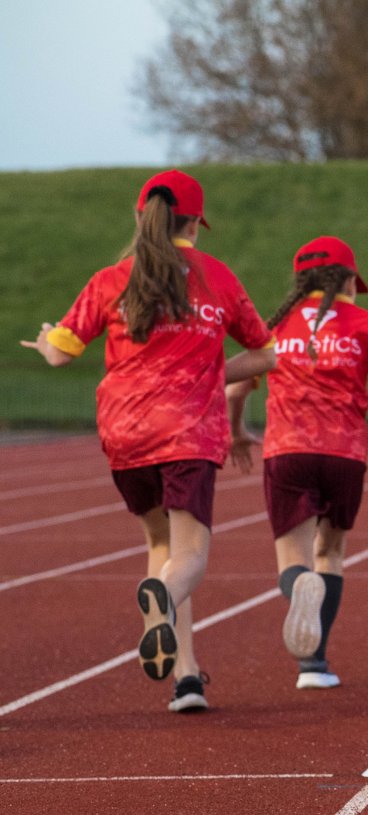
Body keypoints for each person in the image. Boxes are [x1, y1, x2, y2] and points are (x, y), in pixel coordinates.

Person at [21, 170, 276, 712]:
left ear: (142, 217)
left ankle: (186, 677)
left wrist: (45, 340)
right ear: (195, 226)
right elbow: (266, 354)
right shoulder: (218, 279)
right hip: (188, 433)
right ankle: (164, 601)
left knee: (159, 546)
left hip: (126, 436)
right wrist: (213, 369)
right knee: (190, 555)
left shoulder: (113, 278)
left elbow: (63, 350)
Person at [226, 236, 368, 689]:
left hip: (288, 450)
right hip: (345, 454)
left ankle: (300, 603)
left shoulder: (275, 327)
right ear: (350, 281)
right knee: (330, 553)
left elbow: (234, 386)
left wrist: (237, 431)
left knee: (293, 558)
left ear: (300, 282)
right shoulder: (366, 322)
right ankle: (316, 663)